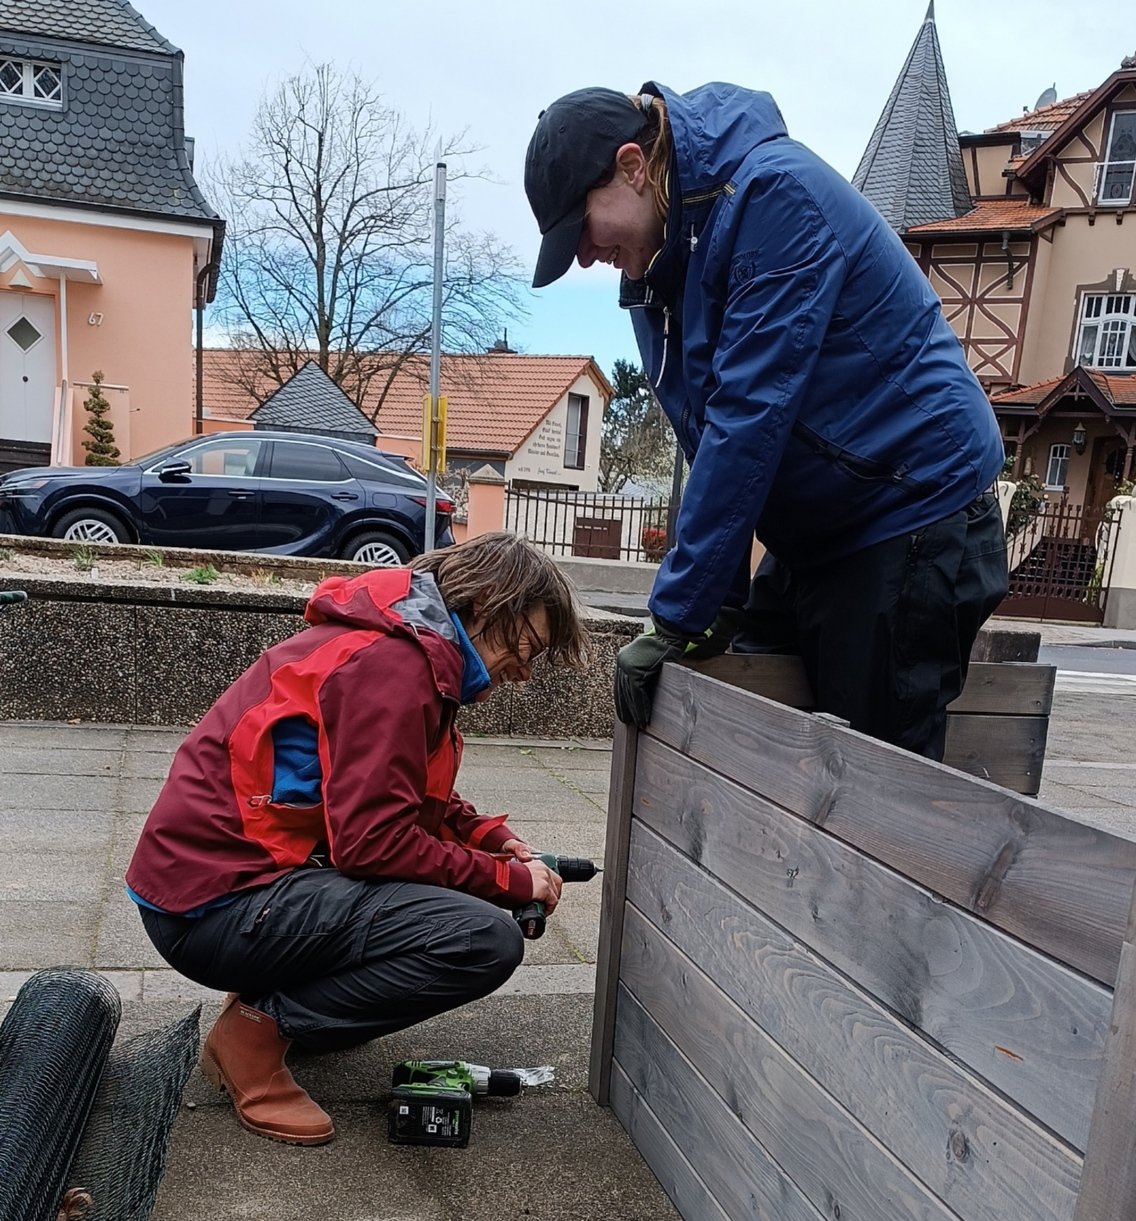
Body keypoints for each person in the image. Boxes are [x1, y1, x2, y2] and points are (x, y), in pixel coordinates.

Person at [525, 83, 1009, 760]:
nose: (583, 255)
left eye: (582, 226)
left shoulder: (772, 197)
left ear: (634, 167)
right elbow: (709, 439)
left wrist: (674, 614)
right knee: (741, 729)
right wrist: (712, 602)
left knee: (867, 780)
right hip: (826, 528)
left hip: (911, 507)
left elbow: (748, 417)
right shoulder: (660, 269)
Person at [125, 532, 588, 1145]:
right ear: (482, 601)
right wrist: (503, 881)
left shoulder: (402, 649)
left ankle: (275, 1001)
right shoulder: (393, 666)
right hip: (214, 906)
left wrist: (490, 838)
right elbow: (373, 843)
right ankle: (252, 1035)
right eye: (526, 643)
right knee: (481, 939)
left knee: (446, 914)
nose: (525, 670)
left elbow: (406, 795)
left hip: (216, 888)